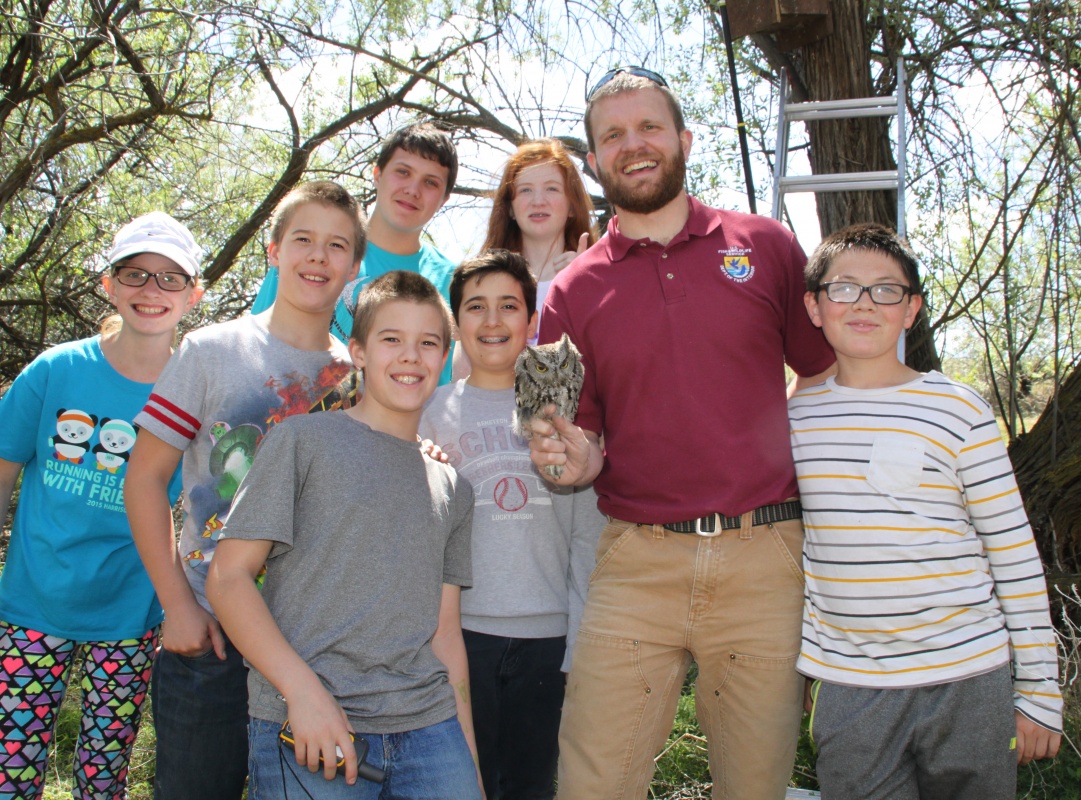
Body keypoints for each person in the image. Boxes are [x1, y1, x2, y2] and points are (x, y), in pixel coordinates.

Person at [528, 67, 836, 800]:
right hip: (636, 565)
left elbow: (823, 376)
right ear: (595, 163)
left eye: (648, 128)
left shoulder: (769, 245)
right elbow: (560, 435)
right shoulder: (568, 292)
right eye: (613, 137)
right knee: (590, 782)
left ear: (683, 140)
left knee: (756, 785)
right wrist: (566, 460)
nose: (633, 146)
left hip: (766, 561)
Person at [789, 223, 1062, 798]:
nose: (865, 304)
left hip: (968, 677)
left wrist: (1039, 689)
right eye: (843, 289)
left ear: (910, 309)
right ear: (814, 307)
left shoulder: (957, 409)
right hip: (852, 685)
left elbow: (1012, 552)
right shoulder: (792, 420)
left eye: (886, 290)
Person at [125, 181, 367, 800]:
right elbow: (146, 477)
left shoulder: (355, 380)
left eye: (336, 245)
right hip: (209, 640)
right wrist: (176, 604)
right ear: (273, 249)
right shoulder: (211, 350)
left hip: (312, 645)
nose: (318, 257)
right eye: (303, 240)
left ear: (355, 266)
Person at [207, 270, 481, 799]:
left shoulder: (454, 488)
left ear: (444, 357)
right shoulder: (300, 442)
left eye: (428, 343)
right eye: (391, 339)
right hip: (311, 722)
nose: (410, 356)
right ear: (357, 351)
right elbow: (229, 578)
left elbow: (446, 634)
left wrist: (467, 764)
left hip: (428, 729)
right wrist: (300, 691)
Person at [0, 212, 204, 799]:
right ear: (107, 284)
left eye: (170, 279)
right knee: (11, 771)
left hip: (131, 613)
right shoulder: (56, 370)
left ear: (194, 294)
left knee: (103, 775)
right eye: (135, 274)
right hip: (33, 604)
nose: (151, 290)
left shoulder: (192, 390)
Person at [419, 250, 603, 799]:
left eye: (508, 306)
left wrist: (579, 646)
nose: (493, 320)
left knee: (528, 785)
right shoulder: (427, 411)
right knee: (462, 781)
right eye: (476, 307)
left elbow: (584, 536)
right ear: (456, 322)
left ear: (531, 321)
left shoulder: (563, 416)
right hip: (457, 636)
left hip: (547, 641)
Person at [251, 122, 459, 384]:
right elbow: (258, 343)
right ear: (378, 174)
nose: (412, 190)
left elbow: (441, 387)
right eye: (403, 172)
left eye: (430, 182)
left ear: (444, 198)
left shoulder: (454, 281)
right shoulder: (313, 254)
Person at [481, 139, 598, 341]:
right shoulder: (482, 282)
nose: (538, 201)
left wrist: (585, 288)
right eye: (526, 190)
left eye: (551, 189)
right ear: (510, 208)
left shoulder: (599, 280)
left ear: (572, 206)